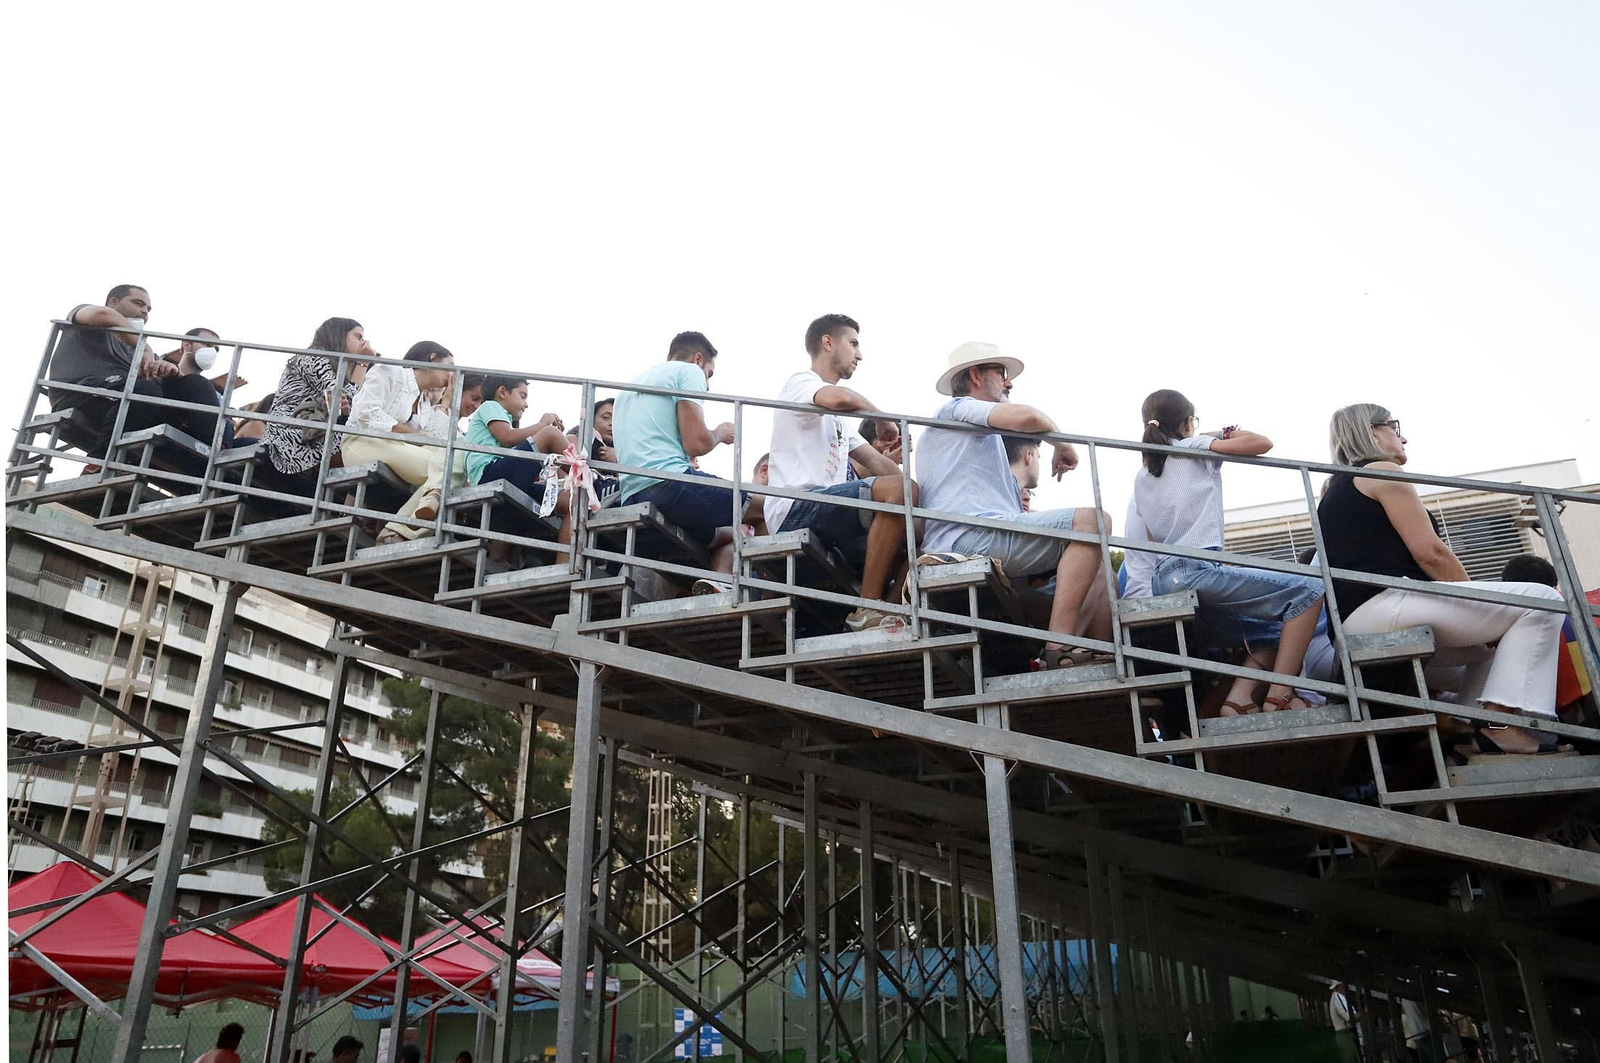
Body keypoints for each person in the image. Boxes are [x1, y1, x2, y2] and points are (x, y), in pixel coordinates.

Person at [1318, 405, 1567, 754]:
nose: (1402, 437)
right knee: (1542, 600)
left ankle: (1467, 733)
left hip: (1358, 621)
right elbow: (1431, 553)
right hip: (1386, 605)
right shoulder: (1382, 471)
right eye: (1394, 427)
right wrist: (1476, 599)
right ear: (1372, 431)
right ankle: (1497, 723)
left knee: (1489, 651)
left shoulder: (1335, 488)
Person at [917, 342, 1113, 670]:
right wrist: (1062, 445)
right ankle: (1059, 647)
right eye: (1002, 374)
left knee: (1099, 563)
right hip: (964, 541)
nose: (1009, 383)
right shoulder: (954, 409)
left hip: (985, 540)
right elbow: (1030, 416)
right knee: (1095, 522)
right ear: (976, 375)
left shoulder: (987, 444)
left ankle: (1081, 655)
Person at [1136, 390, 1326, 714]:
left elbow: (1153, 537)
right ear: (1186, 423)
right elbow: (1260, 443)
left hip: (1164, 580)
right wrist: (1222, 432)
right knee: (1310, 591)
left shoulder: (1143, 476)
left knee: (1275, 632)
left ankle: (1238, 700)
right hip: (1195, 571)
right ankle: (1279, 694)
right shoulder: (1192, 447)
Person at [765, 314, 915, 631]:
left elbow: (884, 470)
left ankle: (886, 613)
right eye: (854, 343)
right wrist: (882, 418)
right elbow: (841, 398)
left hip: (825, 511)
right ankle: (868, 609)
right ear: (828, 342)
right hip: (795, 507)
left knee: (917, 529)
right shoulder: (801, 383)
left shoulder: (840, 422)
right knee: (902, 492)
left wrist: (904, 464)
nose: (860, 355)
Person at [612, 332, 740, 571]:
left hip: (631, 495)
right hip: (670, 485)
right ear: (698, 359)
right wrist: (721, 432)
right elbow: (696, 444)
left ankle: (716, 587)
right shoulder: (689, 371)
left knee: (731, 534)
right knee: (766, 507)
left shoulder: (628, 388)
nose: (708, 384)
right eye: (709, 374)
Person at [44, 285, 225, 451]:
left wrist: (170, 371)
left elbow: (160, 384)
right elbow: (103, 315)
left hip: (125, 399)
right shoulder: (86, 319)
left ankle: (207, 456)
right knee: (144, 390)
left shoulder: (140, 349)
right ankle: (101, 458)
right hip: (78, 392)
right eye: (138, 303)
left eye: (148, 309)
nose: (144, 311)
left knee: (196, 384)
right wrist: (145, 348)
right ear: (113, 303)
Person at [340, 341, 460, 544]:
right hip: (361, 442)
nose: (452, 376)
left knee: (454, 457)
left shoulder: (423, 403)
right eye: (450, 366)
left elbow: (437, 439)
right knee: (445, 469)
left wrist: (447, 401)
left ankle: (401, 525)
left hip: (393, 447)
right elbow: (365, 413)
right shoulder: (392, 371)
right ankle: (410, 519)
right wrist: (410, 434)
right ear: (433, 357)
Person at [462, 375, 574, 544]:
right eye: (523, 396)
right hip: (489, 474)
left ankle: (566, 566)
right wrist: (543, 425)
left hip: (503, 475)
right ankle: (587, 475)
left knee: (571, 502)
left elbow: (516, 441)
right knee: (550, 435)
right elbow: (508, 437)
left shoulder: (503, 419)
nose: (526, 404)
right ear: (502, 392)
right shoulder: (490, 406)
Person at [262, 318, 372, 479]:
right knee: (366, 449)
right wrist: (363, 363)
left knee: (369, 451)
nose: (364, 343)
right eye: (358, 337)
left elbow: (348, 405)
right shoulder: (312, 358)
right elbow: (347, 403)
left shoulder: (338, 368)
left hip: (314, 433)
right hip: (291, 438)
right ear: (340, 335)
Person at [568, 396, 619, 504]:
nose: (611, 423)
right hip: (577, 494)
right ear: (592, 419)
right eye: (606, 417)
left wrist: (617, 463)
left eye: (616, 420)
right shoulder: (579, 436)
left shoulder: (619, 449)